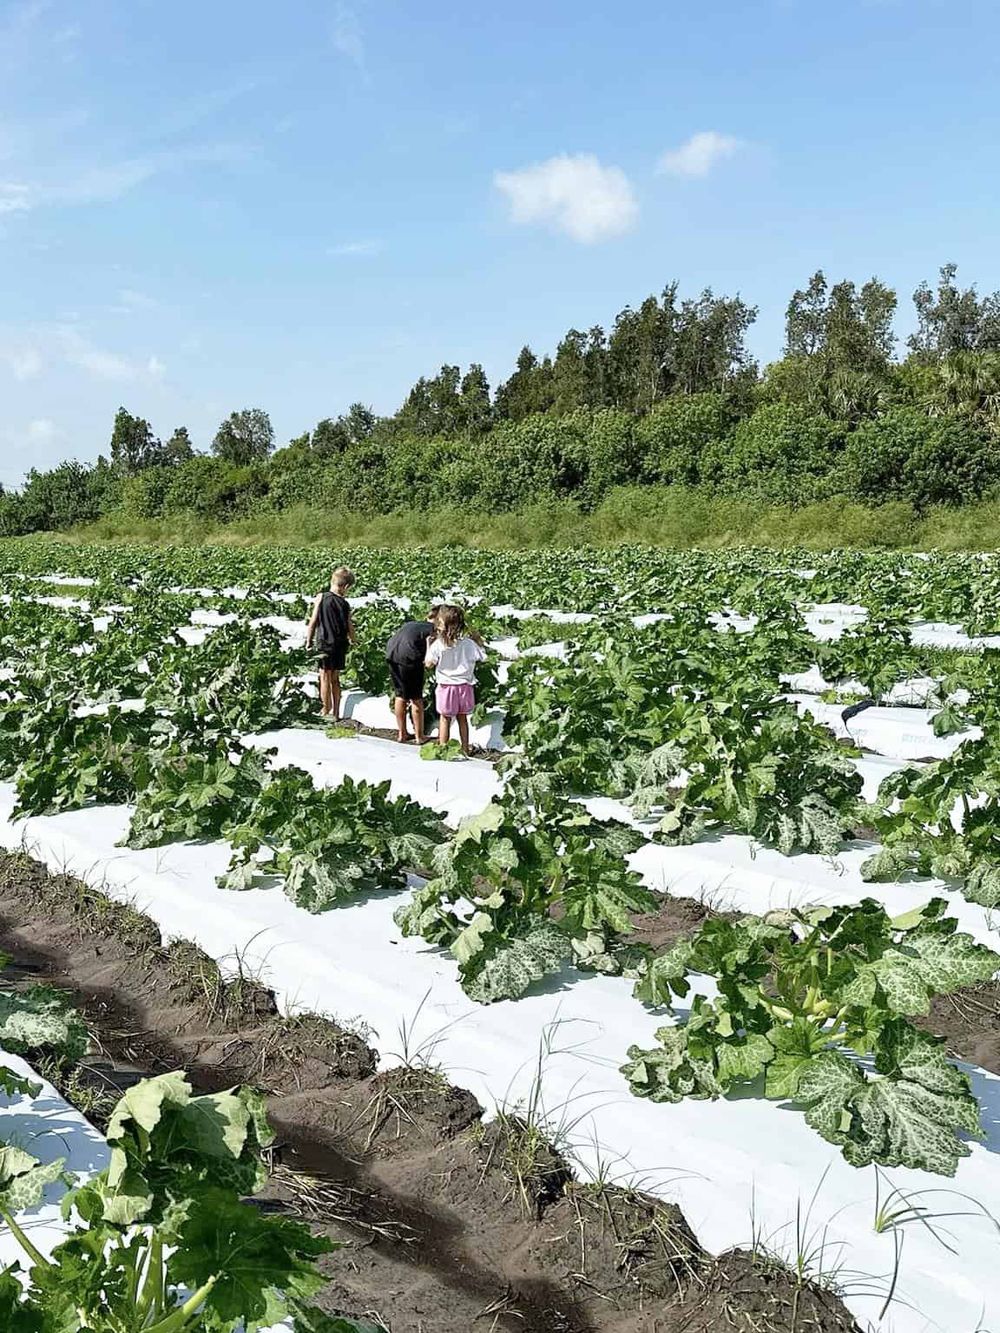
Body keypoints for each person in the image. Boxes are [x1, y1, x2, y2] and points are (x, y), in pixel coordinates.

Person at [425, 604, 486, 757]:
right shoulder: (468, 643)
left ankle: (443, 748)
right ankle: (465, 749)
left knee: (445, 719)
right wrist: (479, 640)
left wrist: (428, 646)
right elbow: (482, 657)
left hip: (446, 687)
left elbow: (429, 663)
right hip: (465, 686)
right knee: (462, 718)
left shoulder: (439, 644)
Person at [305, 566, 356, 719]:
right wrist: (354, 640)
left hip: (325, 642)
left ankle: (325, 710)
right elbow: (349, 625)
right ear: (345, 587)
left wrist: (308, 641)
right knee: (335, 678)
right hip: (340, 644)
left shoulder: (322, 597)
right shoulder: (345, 604)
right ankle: (336, 712)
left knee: (324, 677)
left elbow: (313, 621)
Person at [385, 606, 439, 744]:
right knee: (416, 697)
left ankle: (402, 734)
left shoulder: (413, 624)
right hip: (409, 657)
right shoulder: (433, 630)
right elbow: (433, 652)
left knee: (400, 695)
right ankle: (419, 736)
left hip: (391, 653)